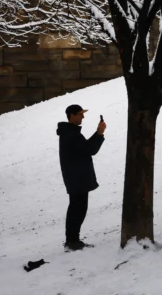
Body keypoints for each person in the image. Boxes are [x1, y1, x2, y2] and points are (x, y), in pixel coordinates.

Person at [56, 104, 106, 251]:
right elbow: (90, 149)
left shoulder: (70, 133)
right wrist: (99, 133)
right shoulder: (71, 134)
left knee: (76, 208)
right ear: (72, 115)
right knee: (77, 209)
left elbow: (86, 149)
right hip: (77, 178)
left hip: (76, 177)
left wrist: (98, 134)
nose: (82, 117)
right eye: (80, 114)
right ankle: (72, 241)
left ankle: (73, 240)